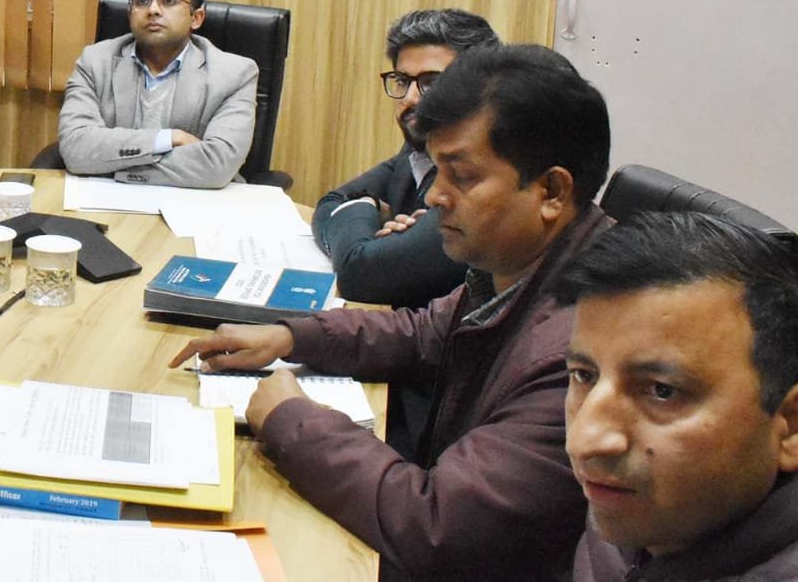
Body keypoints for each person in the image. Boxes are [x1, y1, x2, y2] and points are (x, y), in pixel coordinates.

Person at [170, 44, 612, 581]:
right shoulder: (518, 267)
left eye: (462, 177)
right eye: (436, 172)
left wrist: (292, 419)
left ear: (552, 190)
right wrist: (290, 337)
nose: (435, 198)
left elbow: (436, 526)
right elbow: (421, 333)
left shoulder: (584, 354)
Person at [560, 212, 798, 580]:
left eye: (662, 391)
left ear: (791, 426)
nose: (583, 442)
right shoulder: (643, 511)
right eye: (584, 375)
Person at [312, 8, 499, 459]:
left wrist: (371, 238)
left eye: (432, 83)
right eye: (403, 81)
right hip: (397, 352)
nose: (413, 99)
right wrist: (372, 216)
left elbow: (361, 273)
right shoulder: (419, 149)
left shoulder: (479, 176)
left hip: (436, 413)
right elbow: (333, 202)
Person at [57, 0, 258, 188]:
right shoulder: (94, 62)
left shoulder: (235, 74)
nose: (153, 9)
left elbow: (216, 166)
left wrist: (111, 165)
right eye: (142, 0)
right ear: (130, 11)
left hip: (196, 202)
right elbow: (75, 148)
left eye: (169, 0)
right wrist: (169, 138)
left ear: (196, 17)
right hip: (107, 200)